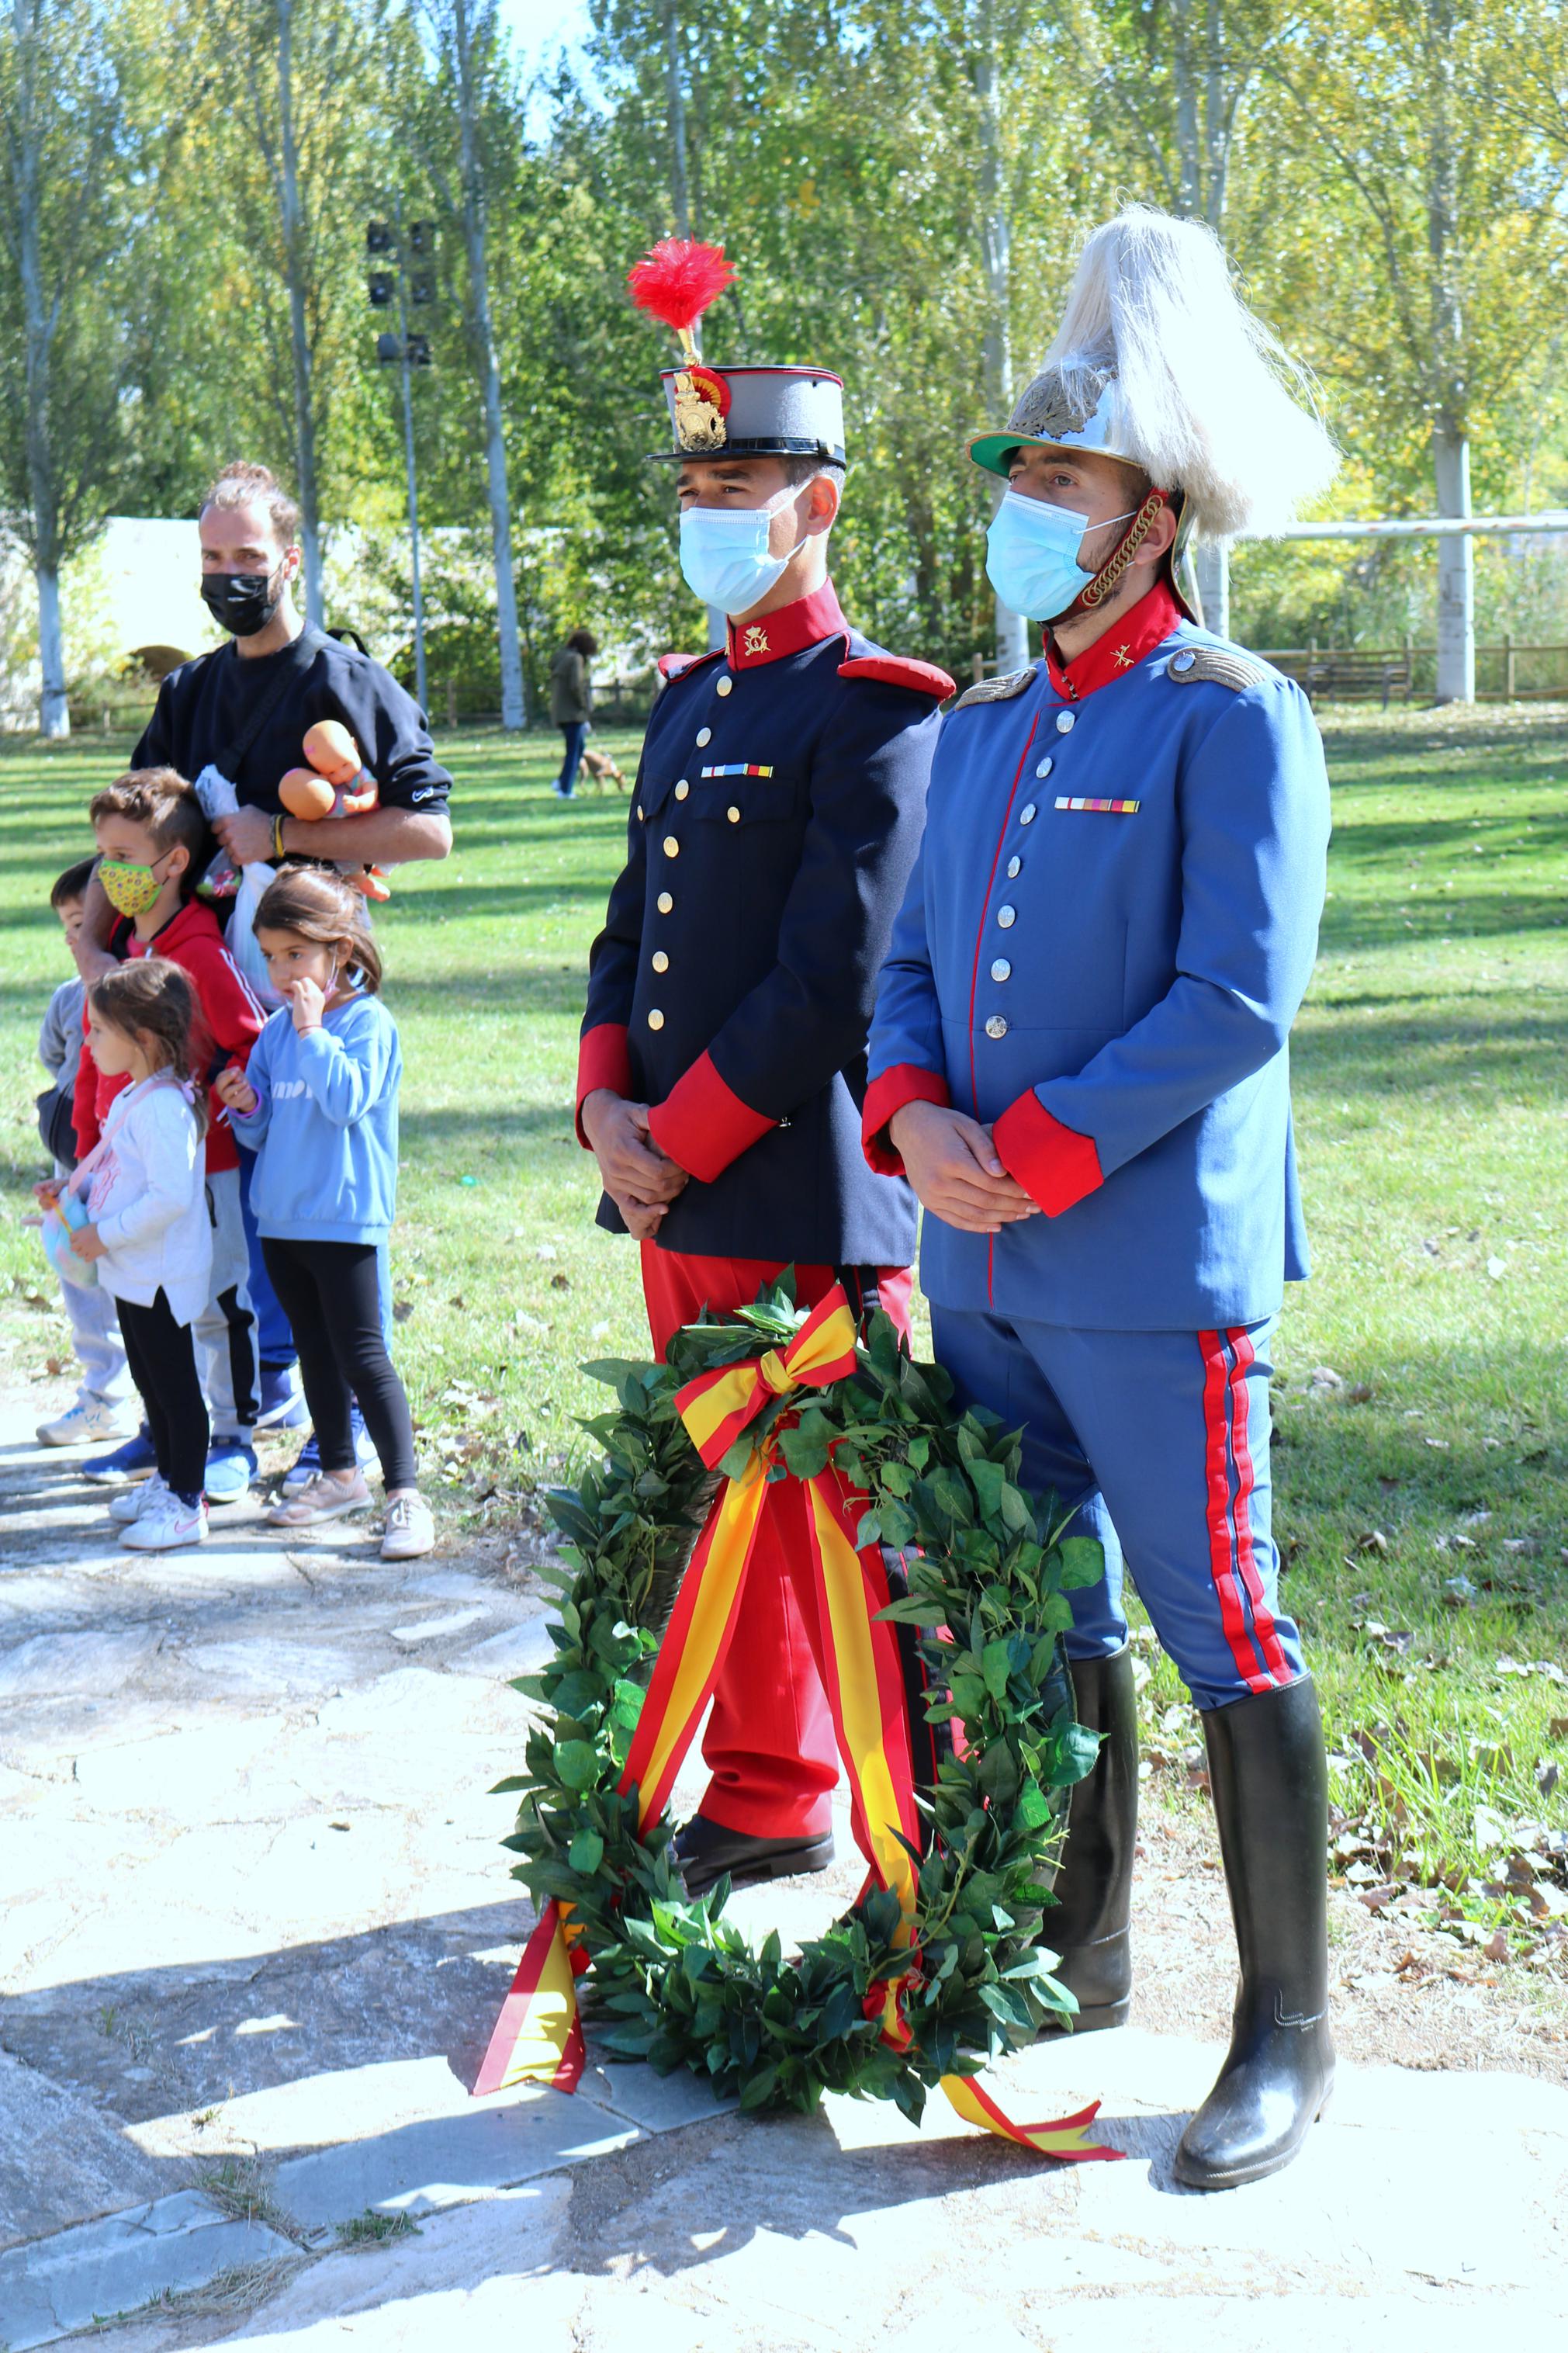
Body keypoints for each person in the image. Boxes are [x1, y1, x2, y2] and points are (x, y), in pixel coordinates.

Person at [865, 205, 1339, 2190]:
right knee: (1040, 1610)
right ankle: (1082, 1948)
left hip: (1144, 1267)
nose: (1021, 507)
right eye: (1015, 478)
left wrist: (1031, 1147)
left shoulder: (1228, 713)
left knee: (1211, 1620)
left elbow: (1234, 993)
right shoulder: (979, 731)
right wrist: (904, 1117)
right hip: (973, 1268)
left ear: (1148, 515)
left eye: (1054, 480)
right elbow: (905, 967)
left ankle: (1285, 2032)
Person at [576, 238, 953, 1895]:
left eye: (743, 479)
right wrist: (602, 1107)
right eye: (697, 478)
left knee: (843, 1509)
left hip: (793, 1182)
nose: (711, 507)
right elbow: (624, 928)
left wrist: (679, 1134)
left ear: (817, 504)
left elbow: (833, 974)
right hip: (665, 1185)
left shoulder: (872, 710)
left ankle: (914, 1810)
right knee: (729, 1493)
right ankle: (762, 1775)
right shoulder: (679, 701)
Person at [71, 459, 453, 1492]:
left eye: (247, 556)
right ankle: (199, 1406)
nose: (228, 574)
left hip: (300, 995)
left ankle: (301, 1397)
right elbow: (132, 828)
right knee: (196, 1192)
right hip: (191, 989)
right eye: (211, 558)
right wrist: (98, 950)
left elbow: (428, 827)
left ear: (291, 559)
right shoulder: (191, 690)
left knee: (298, 1196)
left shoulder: (346, 683)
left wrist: (279, 830)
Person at [217, 868, 434, 1564]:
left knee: (364, 1357)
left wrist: (313, 1033)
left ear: (341, 951)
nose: (281, 973)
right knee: (315, 1351)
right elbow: (261, 1131)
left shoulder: (368, 1025)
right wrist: (244, 1106)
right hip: (282, 1223)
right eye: (272, 956)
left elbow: (344, 1101)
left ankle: (403, 1492)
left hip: (342, 1221)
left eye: (296, 955)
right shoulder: (276, 1033)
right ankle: (339, 1474)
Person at [73, 771, 265, 1508]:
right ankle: (170, 1438)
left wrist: (226, 1089)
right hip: (126, 1170)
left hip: (203, 1172)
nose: (108, 872)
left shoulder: (203, 953)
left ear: (174, 861)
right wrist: (91, 1151)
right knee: (148, 1309)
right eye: (102, 855)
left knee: (214, 1302)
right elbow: (100, 1061)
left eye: (122, 854)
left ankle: (232, 1437)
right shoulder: (122, 947)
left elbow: (249, 1044)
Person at [42, 962, 214, 1552]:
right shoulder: (136, 1097)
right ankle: (167, 1479)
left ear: (141, 1038)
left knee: (175, 1389)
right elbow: (118, 1173)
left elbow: (168, 1198)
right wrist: (74, 1196)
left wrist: (105, 1234)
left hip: (160, 1275)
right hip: (135, 1276)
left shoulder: (164, 1109)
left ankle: (189, 1503)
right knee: (150, 1381)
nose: (86, 1042)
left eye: (96, 1030)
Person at [33, 858, 136, 1448]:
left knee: (133, 1273)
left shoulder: (136, 990)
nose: (76, 938)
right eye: (68, 926)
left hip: (126, 1161)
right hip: (73, 1166)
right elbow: (56, 1057)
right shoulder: (68, 998)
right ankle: (104, 1393)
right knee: (81, 1278)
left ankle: (157, 1393)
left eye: (84, 923)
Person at [549, 629, 597, 799]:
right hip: (573, 714)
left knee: (579, 747)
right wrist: (584, 707)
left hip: (560, 713)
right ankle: (565, 790)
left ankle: (561, 782)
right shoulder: (575, 660)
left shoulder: (560, 657)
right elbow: (576, 686)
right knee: (574, 751)